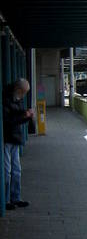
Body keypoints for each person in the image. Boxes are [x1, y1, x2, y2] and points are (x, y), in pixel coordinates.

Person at [2, 78, 35, 210]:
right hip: (7, 139)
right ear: (19, 90)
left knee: (16, 171)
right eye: (24, 92)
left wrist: (26, 115)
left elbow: (15, 117)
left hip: (14, 138)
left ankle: (15, 197)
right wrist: (24, 115)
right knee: (7, 171)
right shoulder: (6, 99)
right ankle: (6, 200)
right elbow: (7, 121)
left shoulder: (16, 99)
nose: (24, 95)